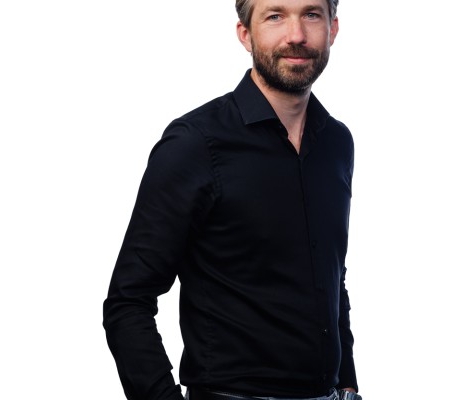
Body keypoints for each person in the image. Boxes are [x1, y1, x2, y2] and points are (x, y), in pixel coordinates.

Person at [103, 1, 360, 399]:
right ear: (245, 34)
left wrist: (347, 384)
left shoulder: (336, 143)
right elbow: (128, 301)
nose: (296, 35)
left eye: (311, 14)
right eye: (275, 16)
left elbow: (329, 277)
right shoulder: (195, 144)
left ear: (333, 29)